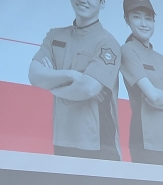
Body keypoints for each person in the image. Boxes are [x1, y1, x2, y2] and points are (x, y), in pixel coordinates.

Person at [28, 0, 121, 160]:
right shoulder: (54, 36)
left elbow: (88, 88)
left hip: (99, 144)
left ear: (102, 3)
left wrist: (52, 86)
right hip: (62, 141)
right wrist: (71, 75)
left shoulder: (108, 43)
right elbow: (34, 74)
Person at [119, 0, 163, 166]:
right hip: (146, 141)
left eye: (148, 19)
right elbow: (154, 96)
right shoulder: (128, 50)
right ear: (127, 20)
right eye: (137, 17)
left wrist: (159, 102)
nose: (144, 24)